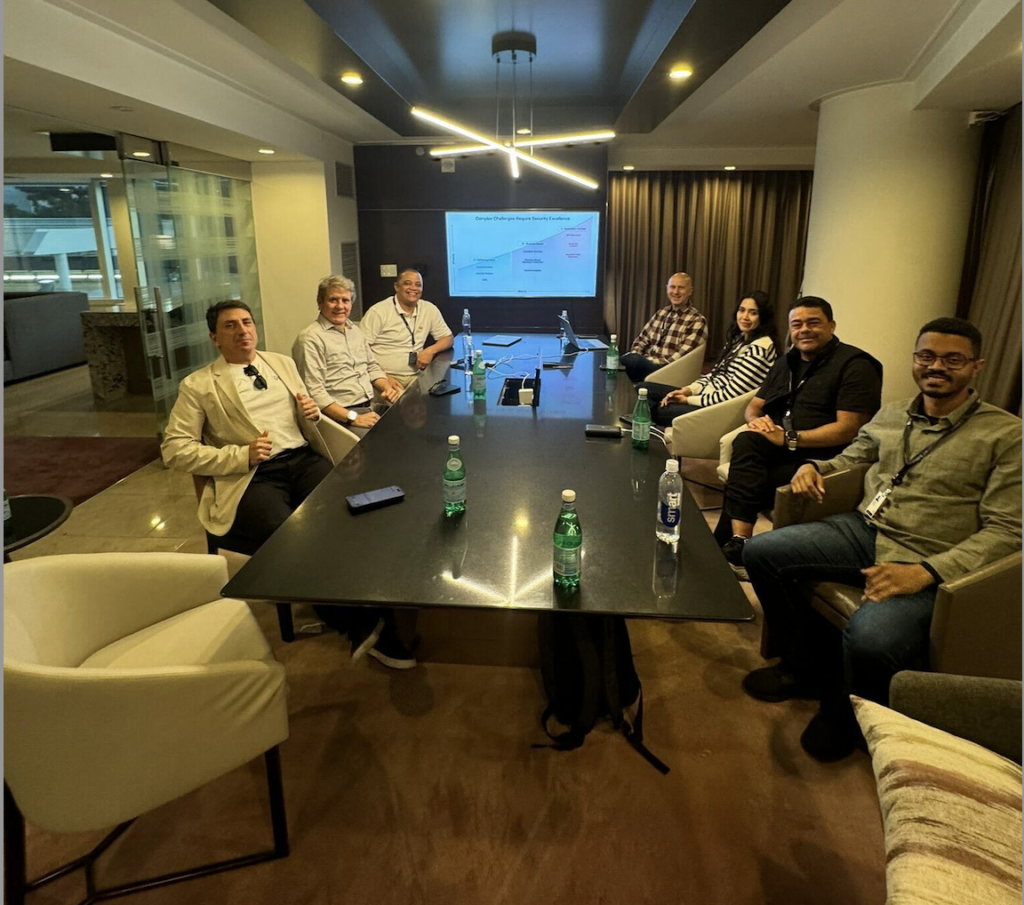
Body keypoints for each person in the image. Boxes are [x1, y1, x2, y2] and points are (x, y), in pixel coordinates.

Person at [741, 317, 1021, 761]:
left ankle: (852, 712)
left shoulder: (1007, 435)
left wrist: (927, 572)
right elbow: (851, 458)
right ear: (914, 360)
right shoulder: (892, 414)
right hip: (864, 530)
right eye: (927, 356)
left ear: (976, 367)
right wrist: (814, 467)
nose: (937, 367)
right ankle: (805, 666)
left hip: (932, 556)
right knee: (761, 551)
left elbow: (1010, 532)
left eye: (953, 360)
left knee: (872, 638)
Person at [162, 299, 415, 669]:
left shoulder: (279, 363)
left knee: (357, 517)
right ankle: (360, 624)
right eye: (230, 325)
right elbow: (174, 450)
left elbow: (303, 415)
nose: (243, 330)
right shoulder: (198, 385)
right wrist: (239, 455)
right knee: (293, 537)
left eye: (247, 322)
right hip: (253, 477)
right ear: (214, 337)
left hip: (303, 459)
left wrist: (309, 412)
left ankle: (376, 602)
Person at [717, 297, 882, 572]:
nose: (804, 329)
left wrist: (790, 438)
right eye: (797, 324)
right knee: (746, 441)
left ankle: (732, 545)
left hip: (823, 459)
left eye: (813, 322)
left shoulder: (856, 365)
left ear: (832, 325)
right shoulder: (786, 363)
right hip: (782, 446)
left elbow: (850, 428)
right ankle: (739, 544)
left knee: (745, 479)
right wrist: (758, 423)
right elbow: (753, 407)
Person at [638, 290, 777, 427]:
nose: (745, 317)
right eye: (742, 310)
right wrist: (688, 390)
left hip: (716, 410)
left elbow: (729, 396)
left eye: (753, 313)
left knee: (649, 408)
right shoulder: (740, 340)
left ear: (763, 317)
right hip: (706, 397)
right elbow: (714, 375)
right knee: (643, 389)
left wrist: (687, 400)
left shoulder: (759, 349)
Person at [292, 275, 402, 437]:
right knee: (384, 441)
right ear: (319, 302)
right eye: (333, 300)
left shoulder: (355, 331)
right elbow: (315, 392)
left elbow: (371, 366)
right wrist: (353, 418)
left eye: (345, 300)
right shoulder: (310, 339)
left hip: (368, 407)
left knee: (410, 422)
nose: (340, 306)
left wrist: (386, 387)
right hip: (339, 417)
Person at [360, 268, 454, 387]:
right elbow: (360, 350)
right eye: (407, 283)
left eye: (418, 285)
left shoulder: (429, 309)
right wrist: (381, 376)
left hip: (418, 376)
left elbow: (448, 338)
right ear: (396, 287)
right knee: (405, 403)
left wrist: (430, 351)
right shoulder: (378, 312)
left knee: (439, 400)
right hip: (387, 377)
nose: (413, 288)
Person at [620, 272, 708, 382]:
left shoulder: (696, 320)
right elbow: (641, 340)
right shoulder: (661, 313)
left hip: (667, 371)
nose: (676, 292)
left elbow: (680, 357)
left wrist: (642, 360)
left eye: (681, 288)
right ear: (667, 289)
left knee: (626, 362)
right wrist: (636, 356)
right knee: (620, 365)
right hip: (646, 365)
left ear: (690, 291)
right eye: (672, 287)